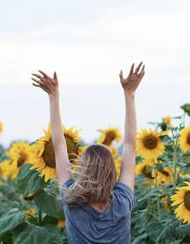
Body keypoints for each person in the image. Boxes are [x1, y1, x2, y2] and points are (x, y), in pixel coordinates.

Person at [31, 62, 145, 243]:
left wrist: (53, 96)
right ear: (111, 172)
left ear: (83, 169)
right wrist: (129, 94)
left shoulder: (71, 200)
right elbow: (130, 145)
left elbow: (59, 145)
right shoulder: (122, 202)